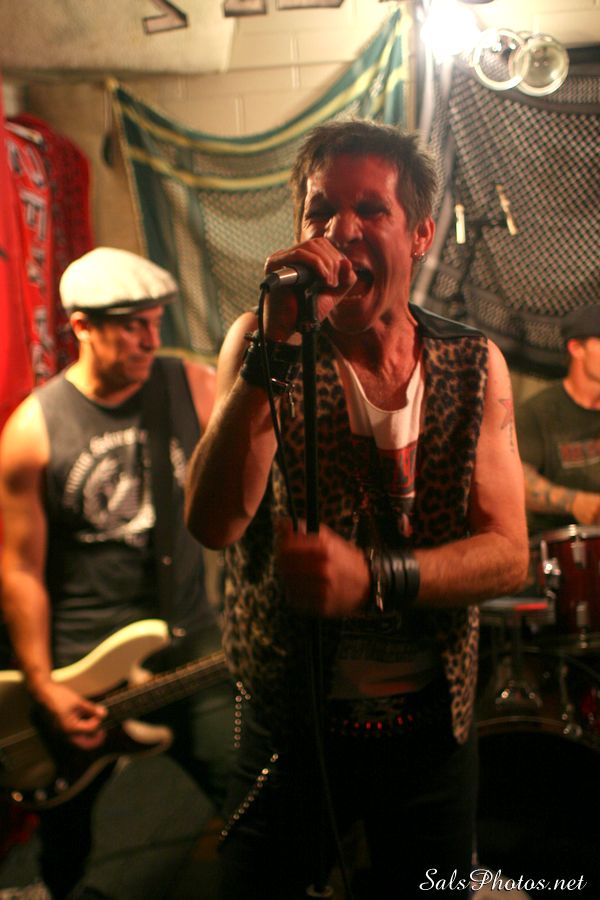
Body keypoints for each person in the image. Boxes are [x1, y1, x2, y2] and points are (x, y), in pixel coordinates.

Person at [184, 120, 529, 899]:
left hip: (431, 729)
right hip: (291, 723)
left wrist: (374, 577)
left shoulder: (472, 364)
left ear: (420, 234)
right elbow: (212, 523)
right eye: (320, 212)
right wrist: (271, 356)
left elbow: (508, 553)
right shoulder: (262, 346)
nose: (340, 232)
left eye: (370, 209)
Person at [0, 247, 232, 899]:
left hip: (186, 640)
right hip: (81, 663)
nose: (150, 339)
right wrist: (44, 684)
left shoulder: (193, 387)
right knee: (66, 834)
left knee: (250, 789)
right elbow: (19, 571)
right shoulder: (33, 431)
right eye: (131, 325)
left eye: (154, 322)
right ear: (81, 326)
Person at [515, 303, 600, 535]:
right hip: (561, 543)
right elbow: (515, 480)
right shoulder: (536, 412)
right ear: (577, 348)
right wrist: (577, 502)